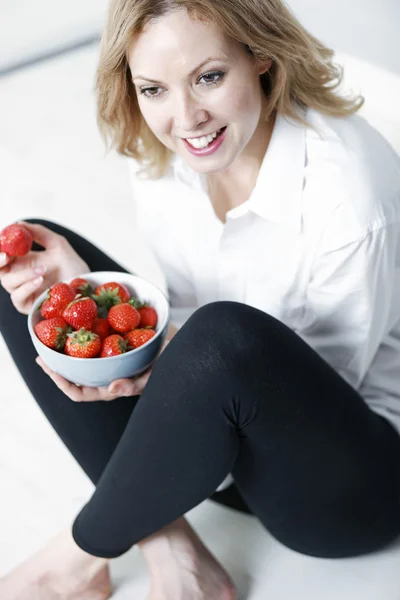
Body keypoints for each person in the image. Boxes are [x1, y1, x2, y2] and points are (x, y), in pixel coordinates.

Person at [1, 0, 400, 598]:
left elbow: (285, 374)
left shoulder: (347, 194)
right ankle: (176, 555)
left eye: (208, 77)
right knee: (35, 278)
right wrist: (85, 289)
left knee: (219, 337)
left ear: (260, 54)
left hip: (341, 485)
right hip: (207, 436)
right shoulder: (168, 154)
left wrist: (165, 365)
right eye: (154, 88)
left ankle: (75, 557)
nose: (186, 117)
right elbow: (194, 334)